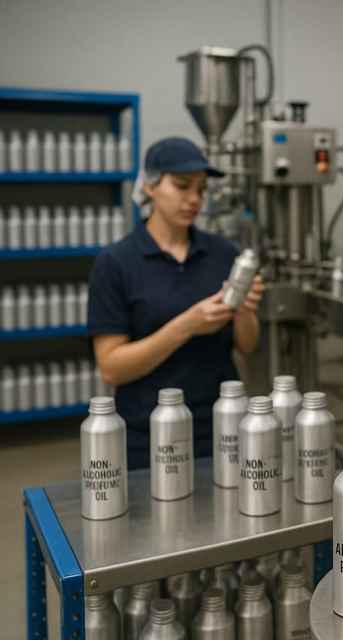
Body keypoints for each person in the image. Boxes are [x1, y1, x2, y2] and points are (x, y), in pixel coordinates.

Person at [88, 137, 264, 470]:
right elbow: (112, 368)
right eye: (182, 186)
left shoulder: (222, 254)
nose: (194, 199)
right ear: (150, 186)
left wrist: (246, 312)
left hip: (221, 426)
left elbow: (247, 345)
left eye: (201, 189)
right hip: (148, 432)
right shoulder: (116, 263)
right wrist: (186, 326)